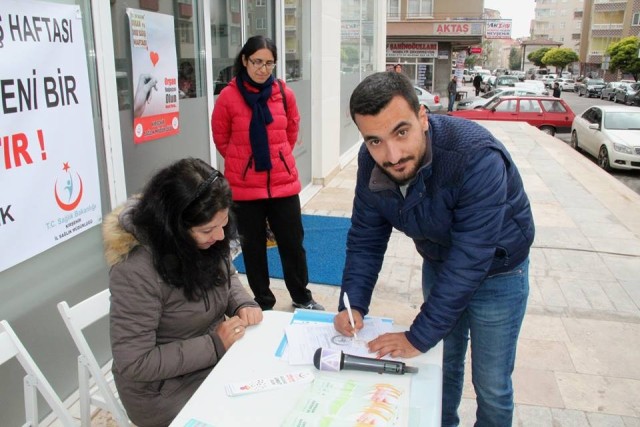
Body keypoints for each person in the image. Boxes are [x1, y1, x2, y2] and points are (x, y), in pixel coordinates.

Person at [333, 72, 535, 426]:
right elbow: (366, 237)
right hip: (440, 261)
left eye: (401, 132)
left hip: (500, 272)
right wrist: (354, 303)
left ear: (423, 117)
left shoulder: (475, 156)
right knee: (443, 367)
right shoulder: (372, 162)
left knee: (491, 384)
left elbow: (471, 257)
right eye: (375, 141)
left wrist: (418, 336)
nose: (392, 155)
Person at [105, 158, 263, 427]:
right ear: (175, 227)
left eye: (223, 223)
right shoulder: (136, 270)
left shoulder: (204, 240)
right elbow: (135, 362)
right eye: (207, 230)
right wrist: (214, 344)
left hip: (212, 362)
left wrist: (241, 303)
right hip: (162, 392)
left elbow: (227, 275)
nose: (220, 236)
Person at [211, 35, 324, 311]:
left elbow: (290, 130)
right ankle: (263, 301)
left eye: (269, 63)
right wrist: (245, 162)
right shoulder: (228, 96)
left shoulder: (284, 94)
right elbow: (221, 138)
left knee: (292, 244)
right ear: (245, 61)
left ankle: (301, 297)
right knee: (253, 249)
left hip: (283, 184)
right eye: (257, 62)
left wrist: (278, 157)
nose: (263, 69)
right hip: (245, 187)